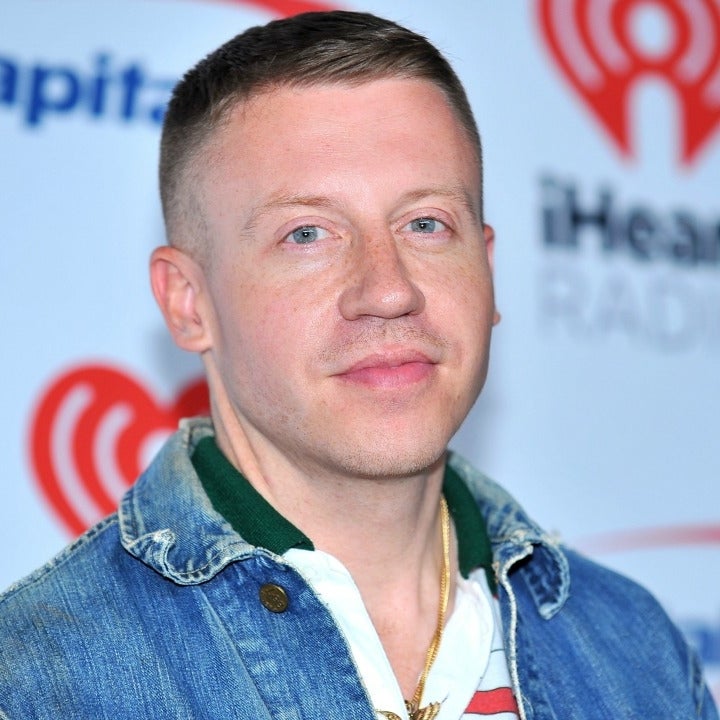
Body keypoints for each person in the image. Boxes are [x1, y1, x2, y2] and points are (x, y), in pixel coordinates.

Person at [0, 10, 716, 720]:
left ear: (487, 268)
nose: (389, 290)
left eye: (426, 224)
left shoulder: (637, 658)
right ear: (189, 303)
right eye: (307, 234)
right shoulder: (39, 681)